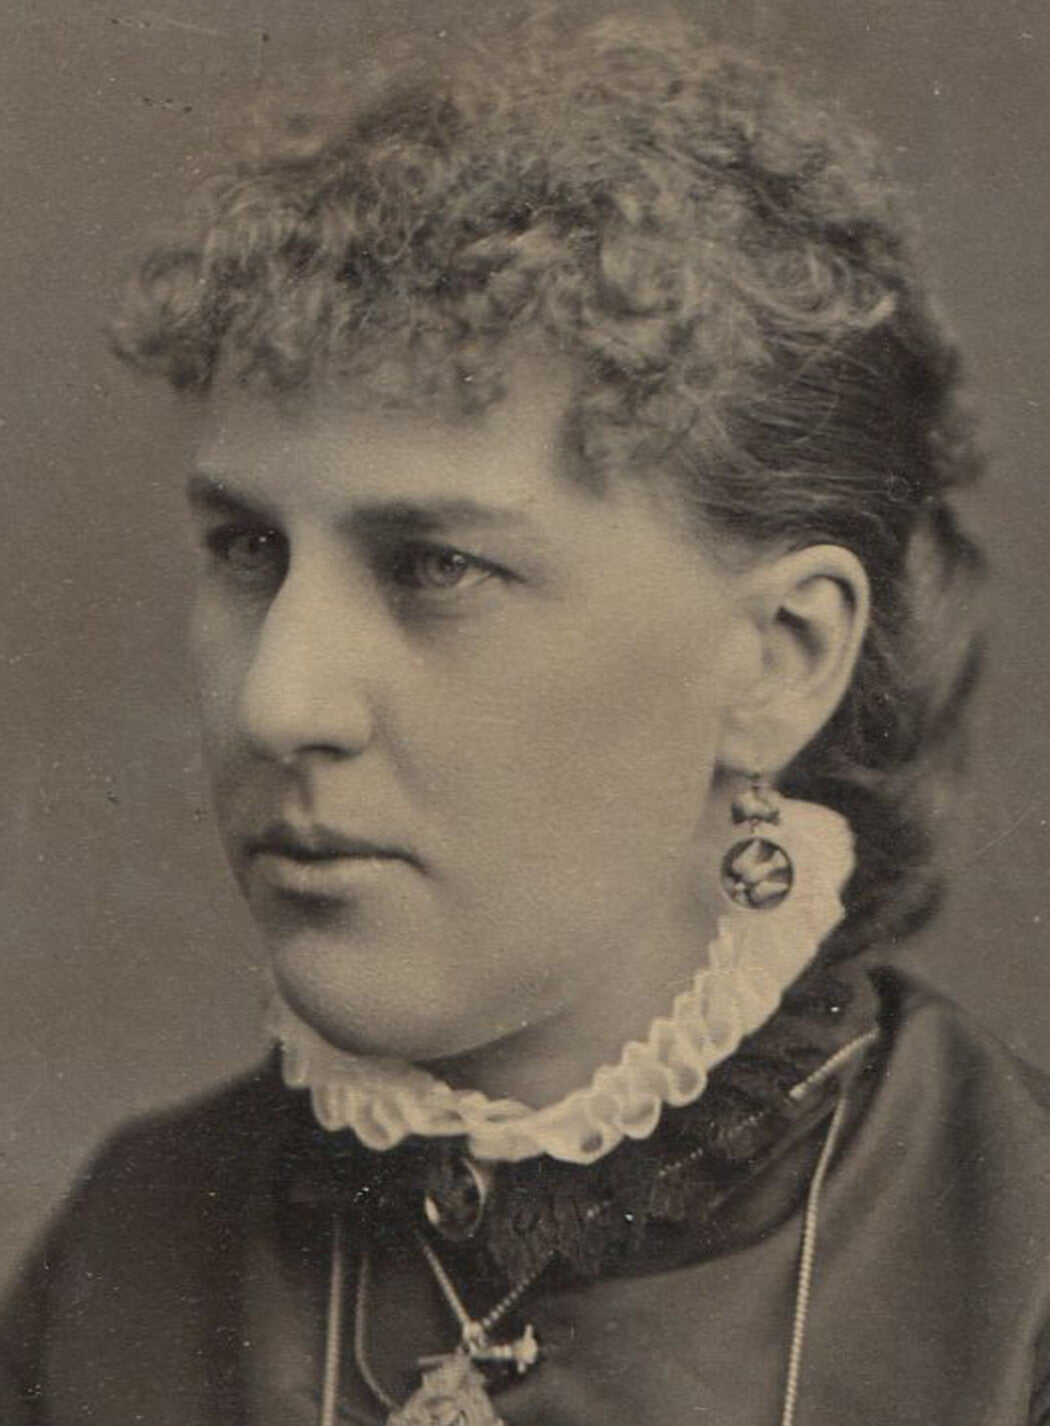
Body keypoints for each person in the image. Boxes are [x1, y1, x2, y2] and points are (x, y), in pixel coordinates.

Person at [3, 13, 1049, 1424]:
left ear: (779, 659)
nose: (278, 702)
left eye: (435, 566)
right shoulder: (115, 1261)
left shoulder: (1017, 1275)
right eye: (247, 549)